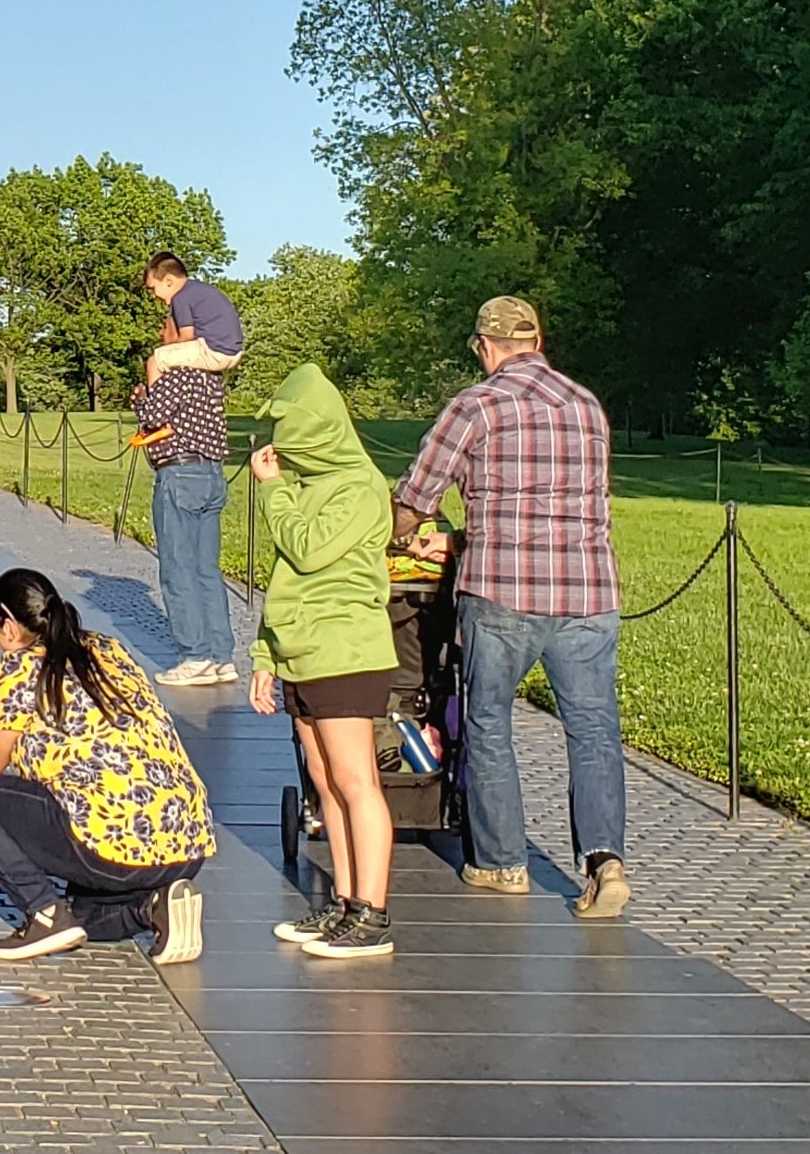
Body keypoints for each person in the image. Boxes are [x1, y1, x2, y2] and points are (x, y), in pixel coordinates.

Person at [392, 295, 631, 917]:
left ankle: (502, 864)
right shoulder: (586, 405)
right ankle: (605, 862)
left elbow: (414, 498)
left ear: (484, 347)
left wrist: (405, 532)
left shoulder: (475, 405)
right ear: (539, 340)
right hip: (588, 589)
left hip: (503, 589)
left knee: (489, 722)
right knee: (595, 730)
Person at [0, 568, 214, 965]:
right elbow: (55, 710)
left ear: (8, 627)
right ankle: (155, 906)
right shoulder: (105, 649)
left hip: (113, 846)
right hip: (184, 844)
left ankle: (44, 914)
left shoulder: (20, 670)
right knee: (79, 911)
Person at [245, 364, 402, 959]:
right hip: (301, 648)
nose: (280, 451)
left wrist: (274, 490)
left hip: (344, 648)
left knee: (356, 779)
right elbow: (285, 577)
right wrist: (266, 654)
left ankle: (372, 911)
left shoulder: (360, 487)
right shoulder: (305, 482)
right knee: (323, 781)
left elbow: (308, 551)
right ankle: (343, 899)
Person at [134, 301, 238, 689]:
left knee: (178, 569)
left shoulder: (176, 376)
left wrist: (146, 389)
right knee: (207, 569)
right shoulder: (210, 379)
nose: (161, 337)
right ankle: (221, 655)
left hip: (180, 476)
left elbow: (149, 419)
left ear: (180, 336)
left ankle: (194, 656)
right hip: (211, 473)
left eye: (165, 329)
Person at [142, 251, 245, 378]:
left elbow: (186, 336)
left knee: (155, 362)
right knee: (174, 357)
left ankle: (156, 397)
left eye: (153, 289)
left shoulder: (180, 297)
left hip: (213, 351)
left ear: (168, 281)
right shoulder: (197, 290)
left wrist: (167, 344)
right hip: (234, 352)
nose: (153, 296)